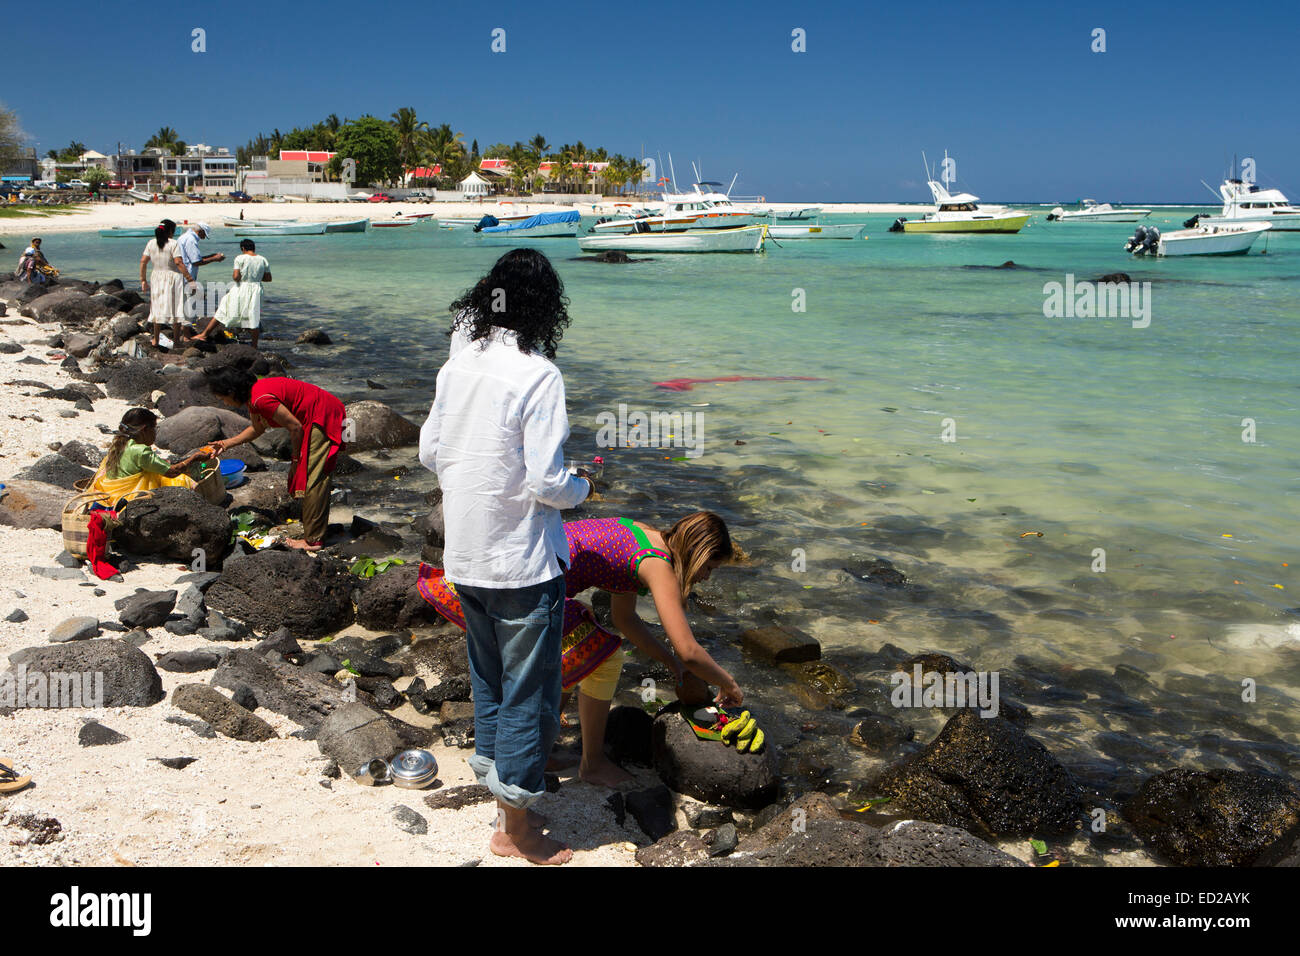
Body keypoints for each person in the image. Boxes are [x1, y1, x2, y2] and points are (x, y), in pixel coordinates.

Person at [418, 248, 590, 866]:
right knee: (530, 691)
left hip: (465, 553)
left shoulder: (458, 366)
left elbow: (430, 452)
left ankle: (503, 799)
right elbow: (548, 482)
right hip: (520, 559)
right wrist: (583, 488)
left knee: (490, 678)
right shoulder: (539, 374)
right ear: (546, 308)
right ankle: (513, 831)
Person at [417, 512, 745, 787]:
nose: (705, 578)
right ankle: (592, 763)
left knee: (582, 648)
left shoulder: (642, 535)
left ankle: (538, 752)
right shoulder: (657, 565)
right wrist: (727, 682)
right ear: (699, 554)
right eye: (710, 568)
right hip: (525, 591)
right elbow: (688, 648)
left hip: (502, 570)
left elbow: (625, 619)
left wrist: (671, 664)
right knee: (603, 657)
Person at [205, 368, 345, 551]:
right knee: (310, 473)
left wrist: (296, 460)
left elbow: (295, 427)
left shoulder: (260, 399)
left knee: (313, 477)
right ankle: (313, 526)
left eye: (223, 398)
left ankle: (313, 540)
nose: (224, 402)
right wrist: (225, 444)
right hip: (316, 412)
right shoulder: (254, 396)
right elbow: (257, 429)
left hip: (322, 414)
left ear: (232, 391)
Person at [89, 408, 204, 504]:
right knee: (181, 480)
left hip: (110, 495)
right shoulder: (141, 451)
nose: (155, 433)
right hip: (128, 498)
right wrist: (194, 458)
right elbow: (172, 472)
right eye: (154, 428)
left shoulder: (118, 444)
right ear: (144, 430)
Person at [194, 239, 271, 347]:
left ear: (243, 249)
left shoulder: (240, 258)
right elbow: (268, 278)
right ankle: (254, 345)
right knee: (254, 315)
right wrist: (255, 277)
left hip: (241, 288)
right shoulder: (263, 259)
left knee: (223, 308)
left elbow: (236, 277)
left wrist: (243, 277)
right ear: (254, 248)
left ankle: (204, 334)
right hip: (256, 289)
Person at [139, 219, 192, 348]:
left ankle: (155, 340)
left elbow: (143, 261)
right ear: (170, 231)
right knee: (176, 308)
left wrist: (143, 280)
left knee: (157, 307)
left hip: (156, 277)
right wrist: (190, 279)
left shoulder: (151, 243)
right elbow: (179, 263)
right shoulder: (173, 244)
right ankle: (177, 341)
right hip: (173, 278)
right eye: (173, 231)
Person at [174, 222, 224, 334]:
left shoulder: (183, 237)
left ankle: (181, 333)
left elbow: (195, 258)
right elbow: (196, 261)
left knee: (181, 307)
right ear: (200, 231)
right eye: (203, 235)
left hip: (180, 276)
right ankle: (186, 335)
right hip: (187, 278)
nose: (203, 238)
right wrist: (214, 259)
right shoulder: (191, 240)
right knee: (189, 308)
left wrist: (212, 256)